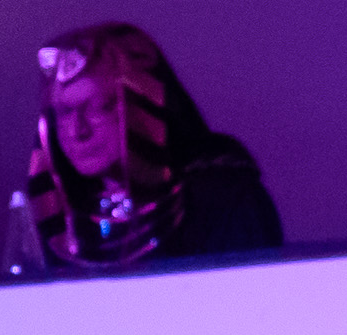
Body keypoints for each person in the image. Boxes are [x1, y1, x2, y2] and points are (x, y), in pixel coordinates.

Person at [19, 25, 282, 268]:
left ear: (145, 101)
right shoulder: (57, 223)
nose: (79, 131)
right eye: (64, 113)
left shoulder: (222, 198)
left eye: (101, 106)